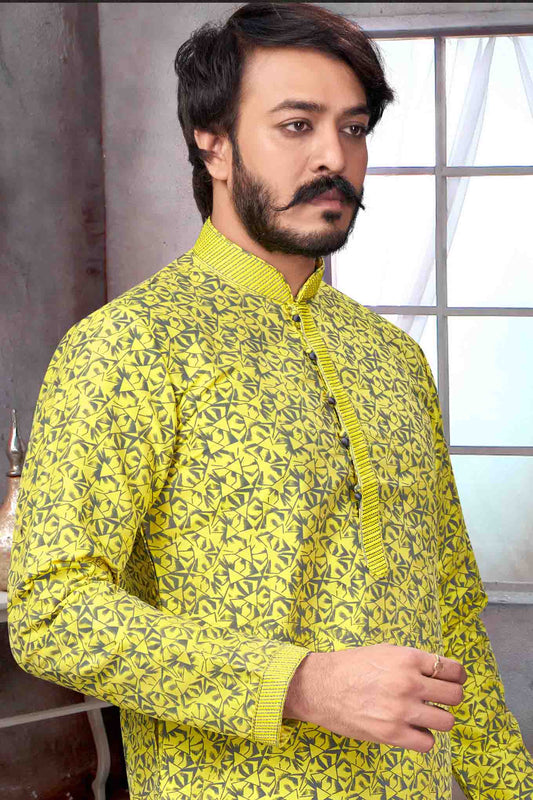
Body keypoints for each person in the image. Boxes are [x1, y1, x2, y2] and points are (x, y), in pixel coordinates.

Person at [7, 3, 532, 799]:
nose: (334, 157)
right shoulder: (131, 346)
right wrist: (299, 684)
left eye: (353, 129)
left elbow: (452, 610)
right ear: (211, 143)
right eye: (296, 126)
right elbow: (52, 612)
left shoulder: (391, 359)